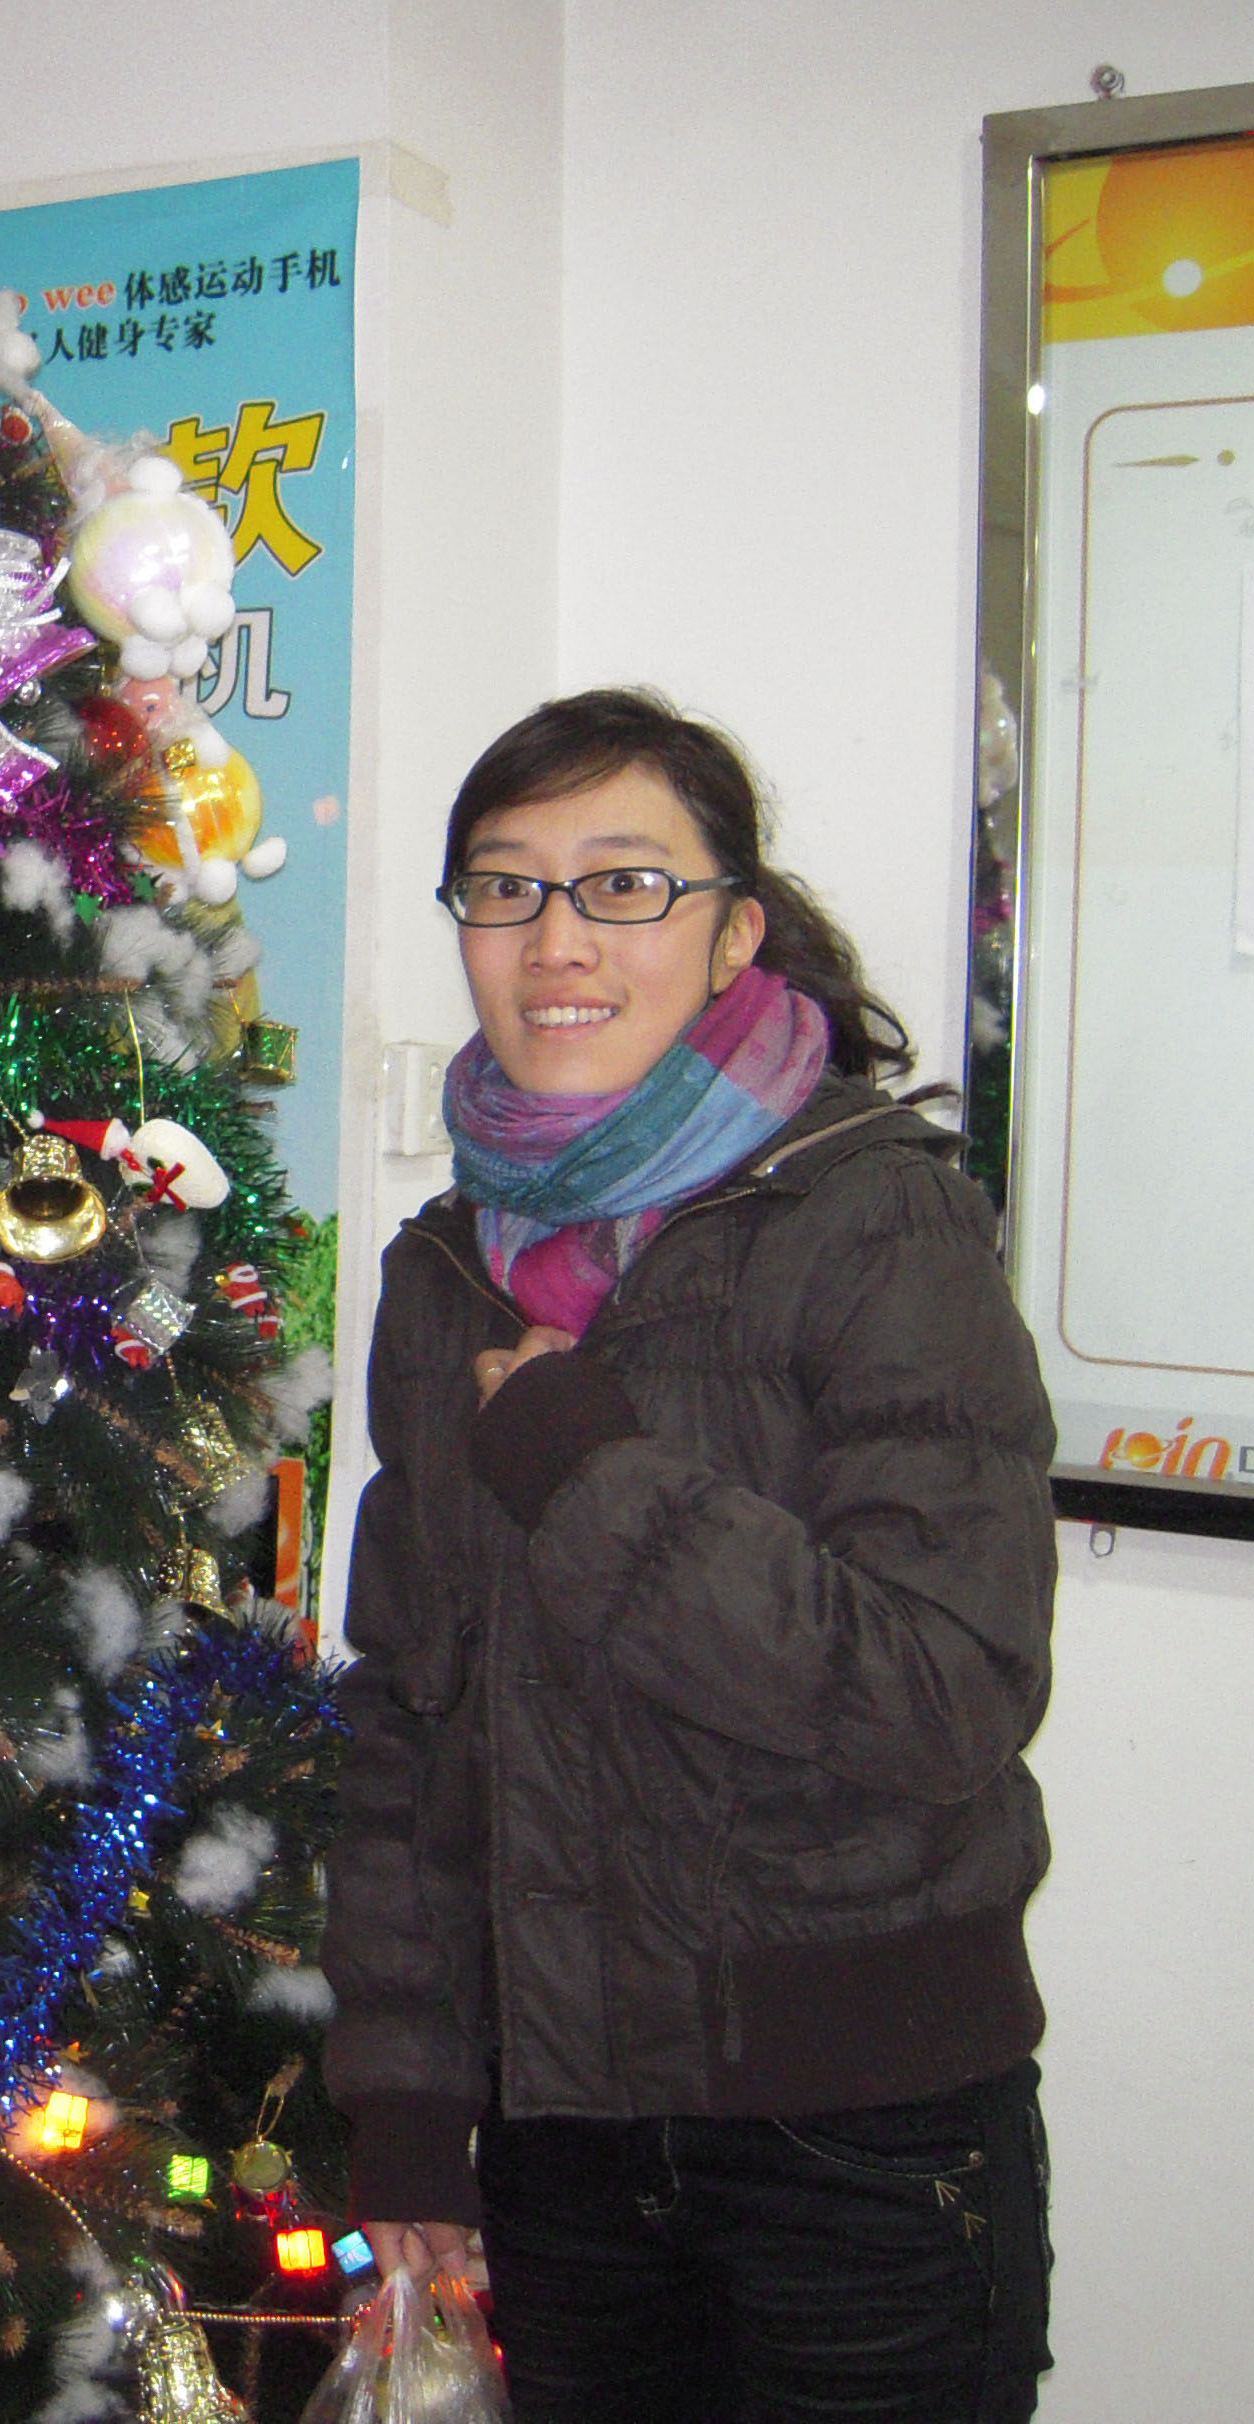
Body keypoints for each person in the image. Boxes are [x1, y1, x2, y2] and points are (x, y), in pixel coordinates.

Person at [322, 690, 1055, 2420]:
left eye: (625, 883)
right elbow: (410, 1717)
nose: (558, 939)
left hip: (857, 2142)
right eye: (505, 887)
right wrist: (407, 2103)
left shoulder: (878, 1217)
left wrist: (589, 1477)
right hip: (559, 2140)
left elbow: (945, 1692)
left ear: (735, 930)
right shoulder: (448, 1266)